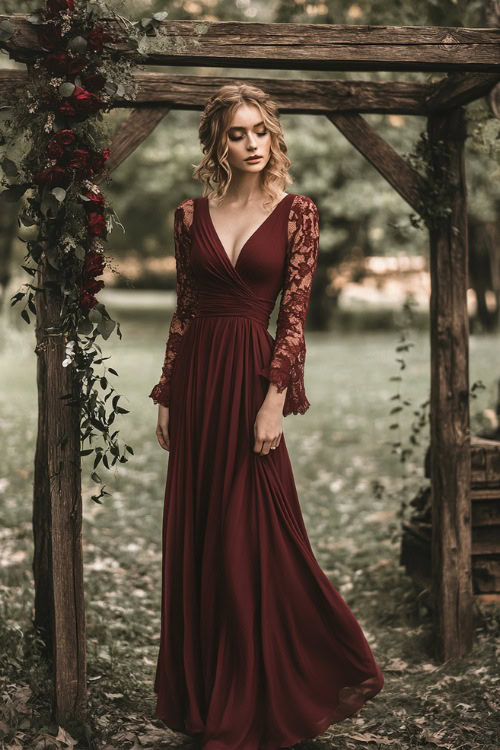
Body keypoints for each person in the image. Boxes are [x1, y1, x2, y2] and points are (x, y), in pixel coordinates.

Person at [149, 83, 384, 750]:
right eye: (236, 134)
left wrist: (274, 400)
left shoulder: (297, 212)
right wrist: (168, 391)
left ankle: (290, 678)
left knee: (260, 534)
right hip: (198, 383)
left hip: (252, 380)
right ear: (216, 144)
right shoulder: (189, 216)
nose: (251, 144)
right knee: (202, 537)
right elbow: (186, 311)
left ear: (271, 136)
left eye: (259, 131)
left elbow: (295, 316)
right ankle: (207, 694)